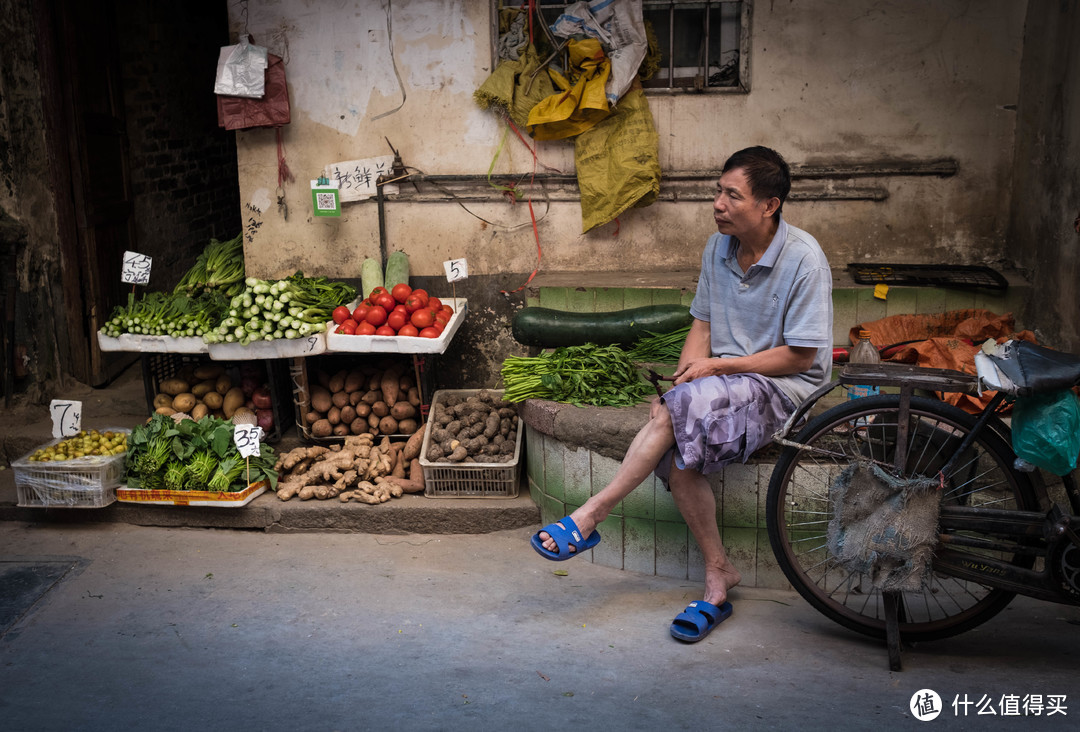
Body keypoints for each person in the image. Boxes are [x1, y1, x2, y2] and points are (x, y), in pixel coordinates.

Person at [531, 146, 833, 642]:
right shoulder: (718, 249)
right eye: (718, 190)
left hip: (782, 388)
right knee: (677, 449)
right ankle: (719, 577)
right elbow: (703, 324)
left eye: (731, 195)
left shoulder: (804, 259)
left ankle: (590, 514)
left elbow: (800, 358)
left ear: (769, 205)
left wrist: (716, 367)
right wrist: (682, 381)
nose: (717, 202)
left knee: (680, 420)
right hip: (723, 383)